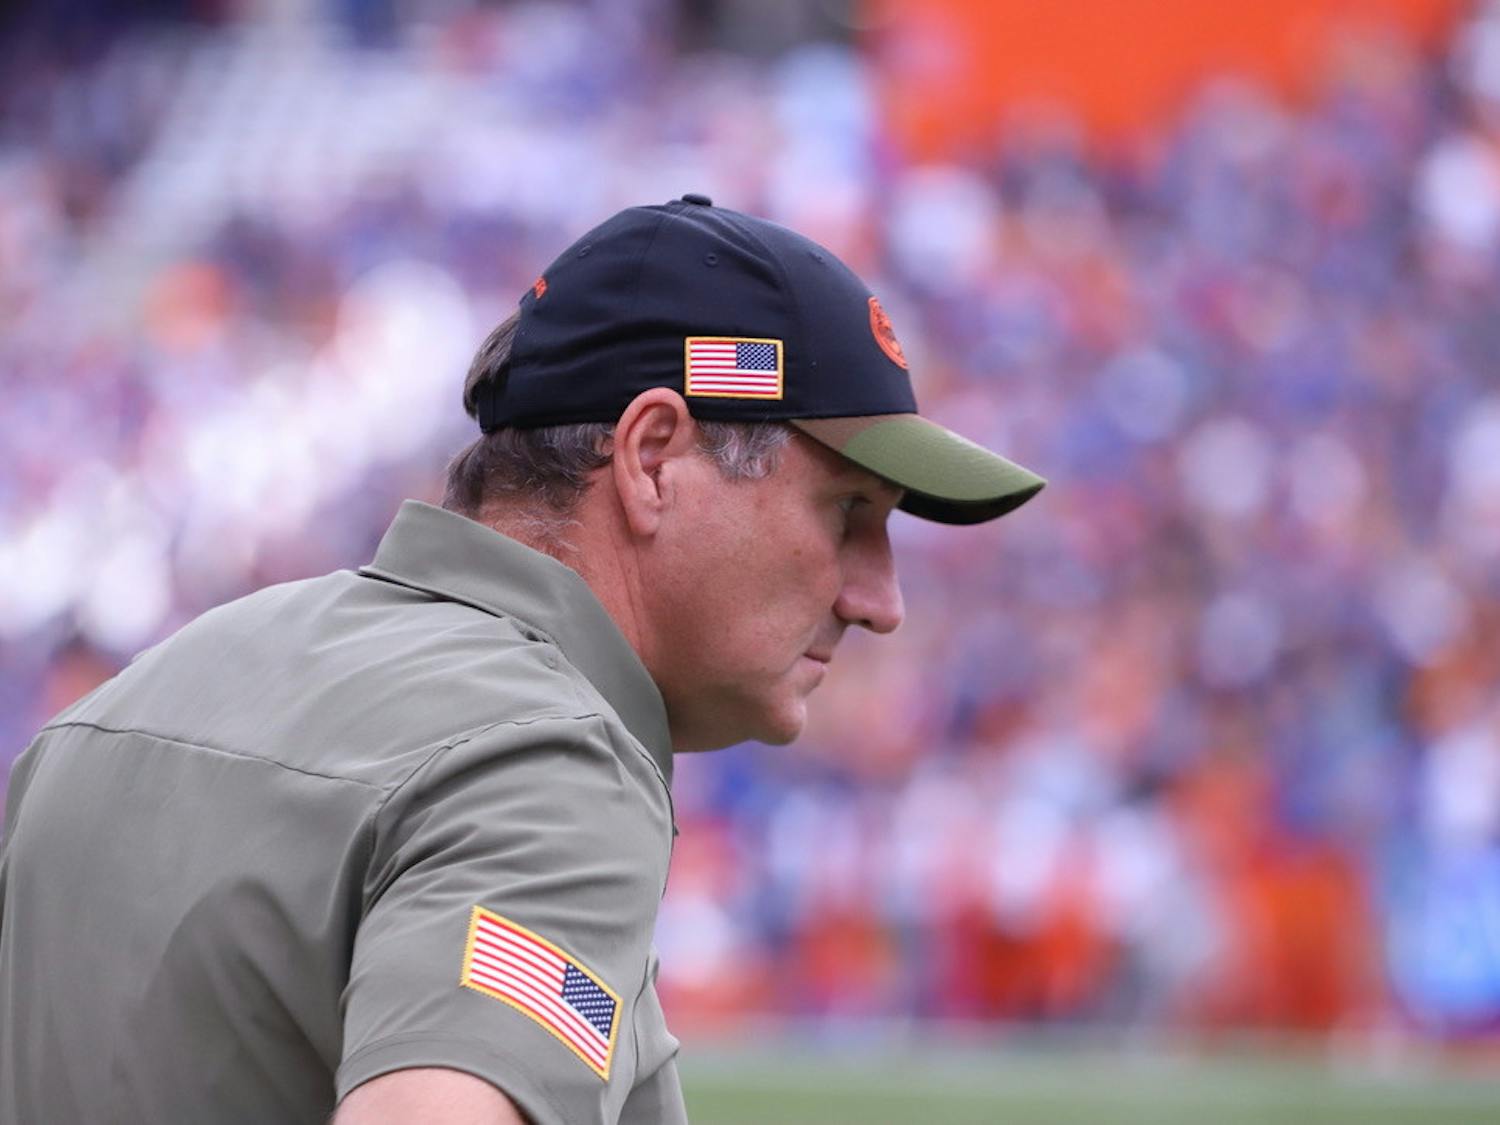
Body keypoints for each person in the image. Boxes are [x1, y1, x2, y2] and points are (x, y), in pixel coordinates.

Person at [0, 194, 1044, 1124]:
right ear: (651, 459)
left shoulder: (129, 703)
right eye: (849, 512)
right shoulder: (547, 760)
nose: (882, 601)